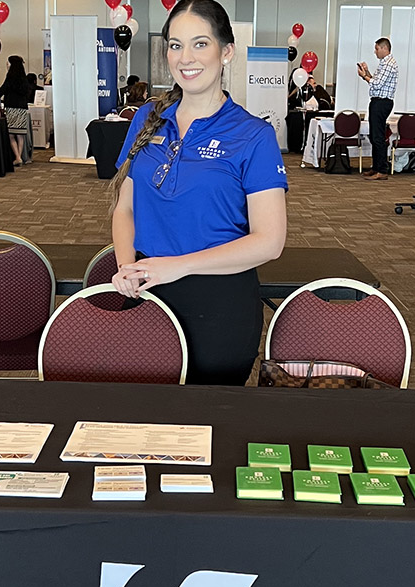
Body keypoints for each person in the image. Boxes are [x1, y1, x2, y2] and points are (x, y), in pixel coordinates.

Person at [110, 0, 287, 386]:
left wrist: (179, 265)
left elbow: (270, 242)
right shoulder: (147, 118)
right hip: (148, 293)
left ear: (226, 51)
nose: (185, 58)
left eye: (200, 44)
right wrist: (127, 266)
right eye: (175, 45)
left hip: (220, 303)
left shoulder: (253, 135)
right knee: (143, 423)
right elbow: (124, 208)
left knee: (211, 427)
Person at [357, 37, 397, 180]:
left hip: (382, 102)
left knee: (378, 136)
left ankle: (382, 170)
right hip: (378, 101)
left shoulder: (389, 64)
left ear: (384, 48)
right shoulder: (384, 64)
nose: (375, 52)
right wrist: (366, 73)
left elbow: (377, 84)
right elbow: (375, 81)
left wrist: (364, 77)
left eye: (376, 49)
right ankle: (376, 167)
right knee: (375, 136)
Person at [0, 56, 32, 166]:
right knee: (20, 135)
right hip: (22, 108)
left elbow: (2, 89)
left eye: (8, 63)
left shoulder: (10, 78)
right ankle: (20, 156)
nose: (7, 65)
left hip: (11, 107)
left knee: (11, 134)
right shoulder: (24, 79)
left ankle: (17, 157)